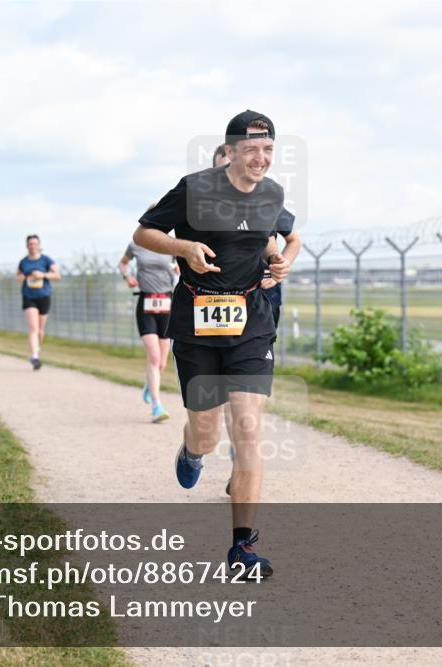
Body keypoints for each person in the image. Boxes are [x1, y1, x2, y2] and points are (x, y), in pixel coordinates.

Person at [133, 110, 293, 578]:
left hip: (251, 323)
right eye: (251, 149)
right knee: (206, 431)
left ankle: (242, 549)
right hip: (197, 322)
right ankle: (193, 450)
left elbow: (283, 239)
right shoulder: (196, 189)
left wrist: (281, 261)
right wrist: (184, 248)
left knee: (248, 429)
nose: (260, 158)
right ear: (230, 150)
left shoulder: (272, 194)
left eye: (268, 149)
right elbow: (144, 232)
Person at [212, 145, 302, 496]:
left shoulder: (266, 200)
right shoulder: (203, 209)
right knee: (226, 392)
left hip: (260, 303)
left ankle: (242, 462)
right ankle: (232, 456)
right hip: (215, 306)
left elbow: (290, 240)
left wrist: (280, 265)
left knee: (247, 399)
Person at [119, 239, 178, 423]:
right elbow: (122, 264)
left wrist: (179, 268)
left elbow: (181, 264)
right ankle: (156, 406)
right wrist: (128, 277)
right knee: (154, 357)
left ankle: (150, 384)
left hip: (167, 304)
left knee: (161, 363)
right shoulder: (136, 244)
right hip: (146, 303)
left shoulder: (171, 244)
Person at [16, 234, 60, 370]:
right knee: (33, 328)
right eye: (30, 244)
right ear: (27, 246)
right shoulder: (23, 262)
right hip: (29, 296)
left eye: (35, 243)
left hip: (44, 296)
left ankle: (37, 349)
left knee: (40, 330)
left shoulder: (46, 260)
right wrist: (25, 276)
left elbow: (58, 275)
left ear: (39, 245)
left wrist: (43, 275)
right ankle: (34, 356)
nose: (33, 246)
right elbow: (17, 276)